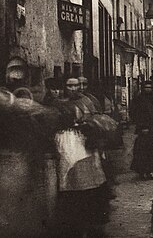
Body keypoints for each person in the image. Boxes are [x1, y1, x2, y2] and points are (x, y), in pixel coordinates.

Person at [52, 77, 109, 236]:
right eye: (69, 85)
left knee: (89, 184)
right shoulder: (59, 104)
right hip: (66, 144)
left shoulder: (88, 102)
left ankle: (90, 221)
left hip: (86, 145)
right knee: (70, 182)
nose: (73, 88)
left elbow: (97, 122)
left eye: (76, 85)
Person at [130, 80, 153, 179]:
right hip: (144, 129)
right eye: (146, 87)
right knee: (142, 150)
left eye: (150, 88)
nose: (148, 89)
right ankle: (142, 172)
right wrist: (143, 127)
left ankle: (148, 171)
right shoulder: (139, 99)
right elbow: (136, 114)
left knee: (150, 150)